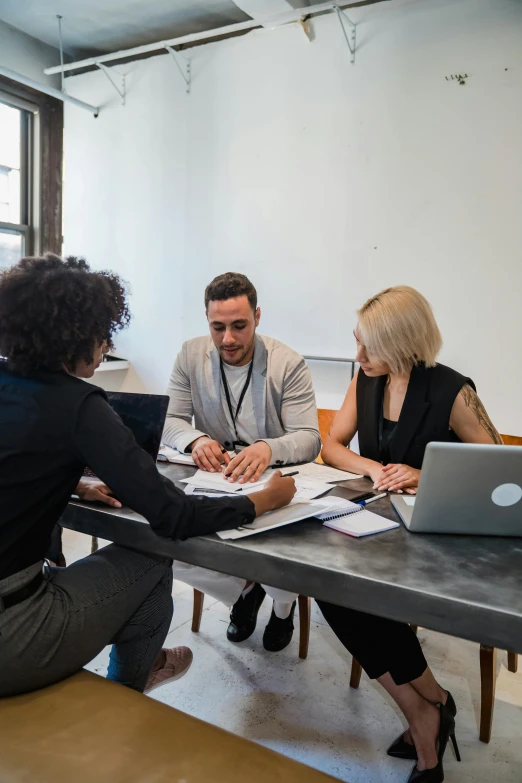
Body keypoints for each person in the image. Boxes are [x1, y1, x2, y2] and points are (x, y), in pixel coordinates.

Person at [0, 254, 296, 698]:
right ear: (77, 335)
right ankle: (129, 688)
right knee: (152, 552)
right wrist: (263, 501)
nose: (105, 348)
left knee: (142, 574)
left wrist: (75, 484)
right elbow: (172, 515)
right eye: (103, 335)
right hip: (15, 629)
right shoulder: (81, 406)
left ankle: (147, 665)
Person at [319, 286, 503, 783]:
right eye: (357, 342)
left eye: (369, 347)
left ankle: (427, 721)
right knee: (330, 588)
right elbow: (332, 445)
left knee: (364, 599)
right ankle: (430, 704)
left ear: (404, 343)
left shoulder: (452, 390)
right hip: (377, 525)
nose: (358, 356)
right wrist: (375, 468)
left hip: (433, 540)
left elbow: (498, 472)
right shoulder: (367, 377)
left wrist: (422, 475)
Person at [162, 272, 321, 652]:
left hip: (275, 479)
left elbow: (310, 438)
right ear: (207, 320)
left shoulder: (288, 363)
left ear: (258, 317)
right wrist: (195, 438)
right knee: (171, 549)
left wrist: (267, 448)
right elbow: (170, 419)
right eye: (218, 327)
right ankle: (244, 590)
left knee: (282, 551)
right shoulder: (190, 354)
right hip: (220, 479)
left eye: (239, 326)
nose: (228, 339)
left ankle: (283, 609)